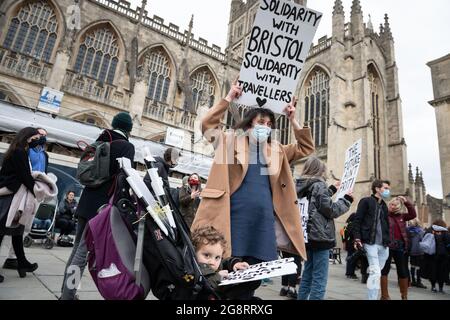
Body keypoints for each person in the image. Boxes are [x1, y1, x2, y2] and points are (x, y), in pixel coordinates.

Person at [191, 81, 315, 299]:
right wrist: (229, 97)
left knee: (254, 277)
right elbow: (208, 126)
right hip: (232, 219)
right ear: (249, 124)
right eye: (260, 122)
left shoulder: (277, 150)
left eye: (269, 124)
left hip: (262, 223)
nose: (265, 127)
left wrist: (293, 119)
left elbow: (306, 147)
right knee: (229, 271)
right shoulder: (230, 141)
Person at [61, 112, 135, 300]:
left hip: (86, 201)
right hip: (101, 207)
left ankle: (67, 292)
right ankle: (68, 295)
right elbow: (125, 177)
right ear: (129, 128)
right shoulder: (126, 146)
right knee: (82, 253)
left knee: (77, 248)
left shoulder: (101, 140)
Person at [296, 156, 353, 300]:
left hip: (306, 236)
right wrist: (346, 200)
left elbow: (316, 202)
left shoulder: (301, 185)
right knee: (319, 280)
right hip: (320, 236)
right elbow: (330, 209)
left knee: (307, 276)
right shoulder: (319, 185)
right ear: (320, 170)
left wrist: (332, 189)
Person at [0, 127, 41, 282]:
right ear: (27, 137)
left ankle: (22, 263)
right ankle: (22, 263)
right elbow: (24, 175)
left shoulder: (18, 150)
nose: (36, 141)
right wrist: (37, 190)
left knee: (17, 230)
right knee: (2, 230)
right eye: (35, 138)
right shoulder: (19, 152)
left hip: (14, 196)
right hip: (11, 197)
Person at [353, 180, 391, 300]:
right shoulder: (366, 201)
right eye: (385, 188)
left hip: (383, 244)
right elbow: (357, 220)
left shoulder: (384, 205)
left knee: (376, 272)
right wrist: (357, 238)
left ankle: (370, 272)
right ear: (377, 189)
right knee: (376, 273)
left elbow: (385, 224)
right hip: (370, 242)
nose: (387, 190)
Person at [191, 225, 250, 298]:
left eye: (217, 257)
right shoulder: (192, 270)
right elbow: (204, 284)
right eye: (206, 255)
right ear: (194, 252)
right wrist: (218, 277)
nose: (212, 262)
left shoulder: (216, 265)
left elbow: (224, 262)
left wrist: (234, 264)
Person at [380, 196, 417, 300]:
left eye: (396, 205)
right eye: (391, 204)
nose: (393, 206)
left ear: (399, 206)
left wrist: (406, 202)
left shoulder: (402, 216)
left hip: (400, 246)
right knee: (384, 270)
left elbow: (413, 214)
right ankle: (384, 296)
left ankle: (404, 296)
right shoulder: (384, 215)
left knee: (402, 271)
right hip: (387, 246)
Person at [421, 220, 450, 294]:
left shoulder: (429, 230)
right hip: (442, 255)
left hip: (431, 255)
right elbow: (448, 243)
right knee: (442, 271)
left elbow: (424, 239)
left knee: (432, 271)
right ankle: (441, 288)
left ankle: (433, 286)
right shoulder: (445, 232)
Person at [407, 219, 427, 289]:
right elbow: (423, 240)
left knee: (412, 266)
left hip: (411, 251)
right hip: (419, 251)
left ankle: (413, 281)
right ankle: (418, 281)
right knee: (418, 267)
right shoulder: (420, 231)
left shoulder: (408, 230)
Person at [343, 213, 359, 279]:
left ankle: (349, 272)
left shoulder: (349, 224)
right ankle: (350, 273)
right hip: (352, 244)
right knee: (352, 259)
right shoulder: (353, 225)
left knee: (350, 258)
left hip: (349, 243)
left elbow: (344, 235)